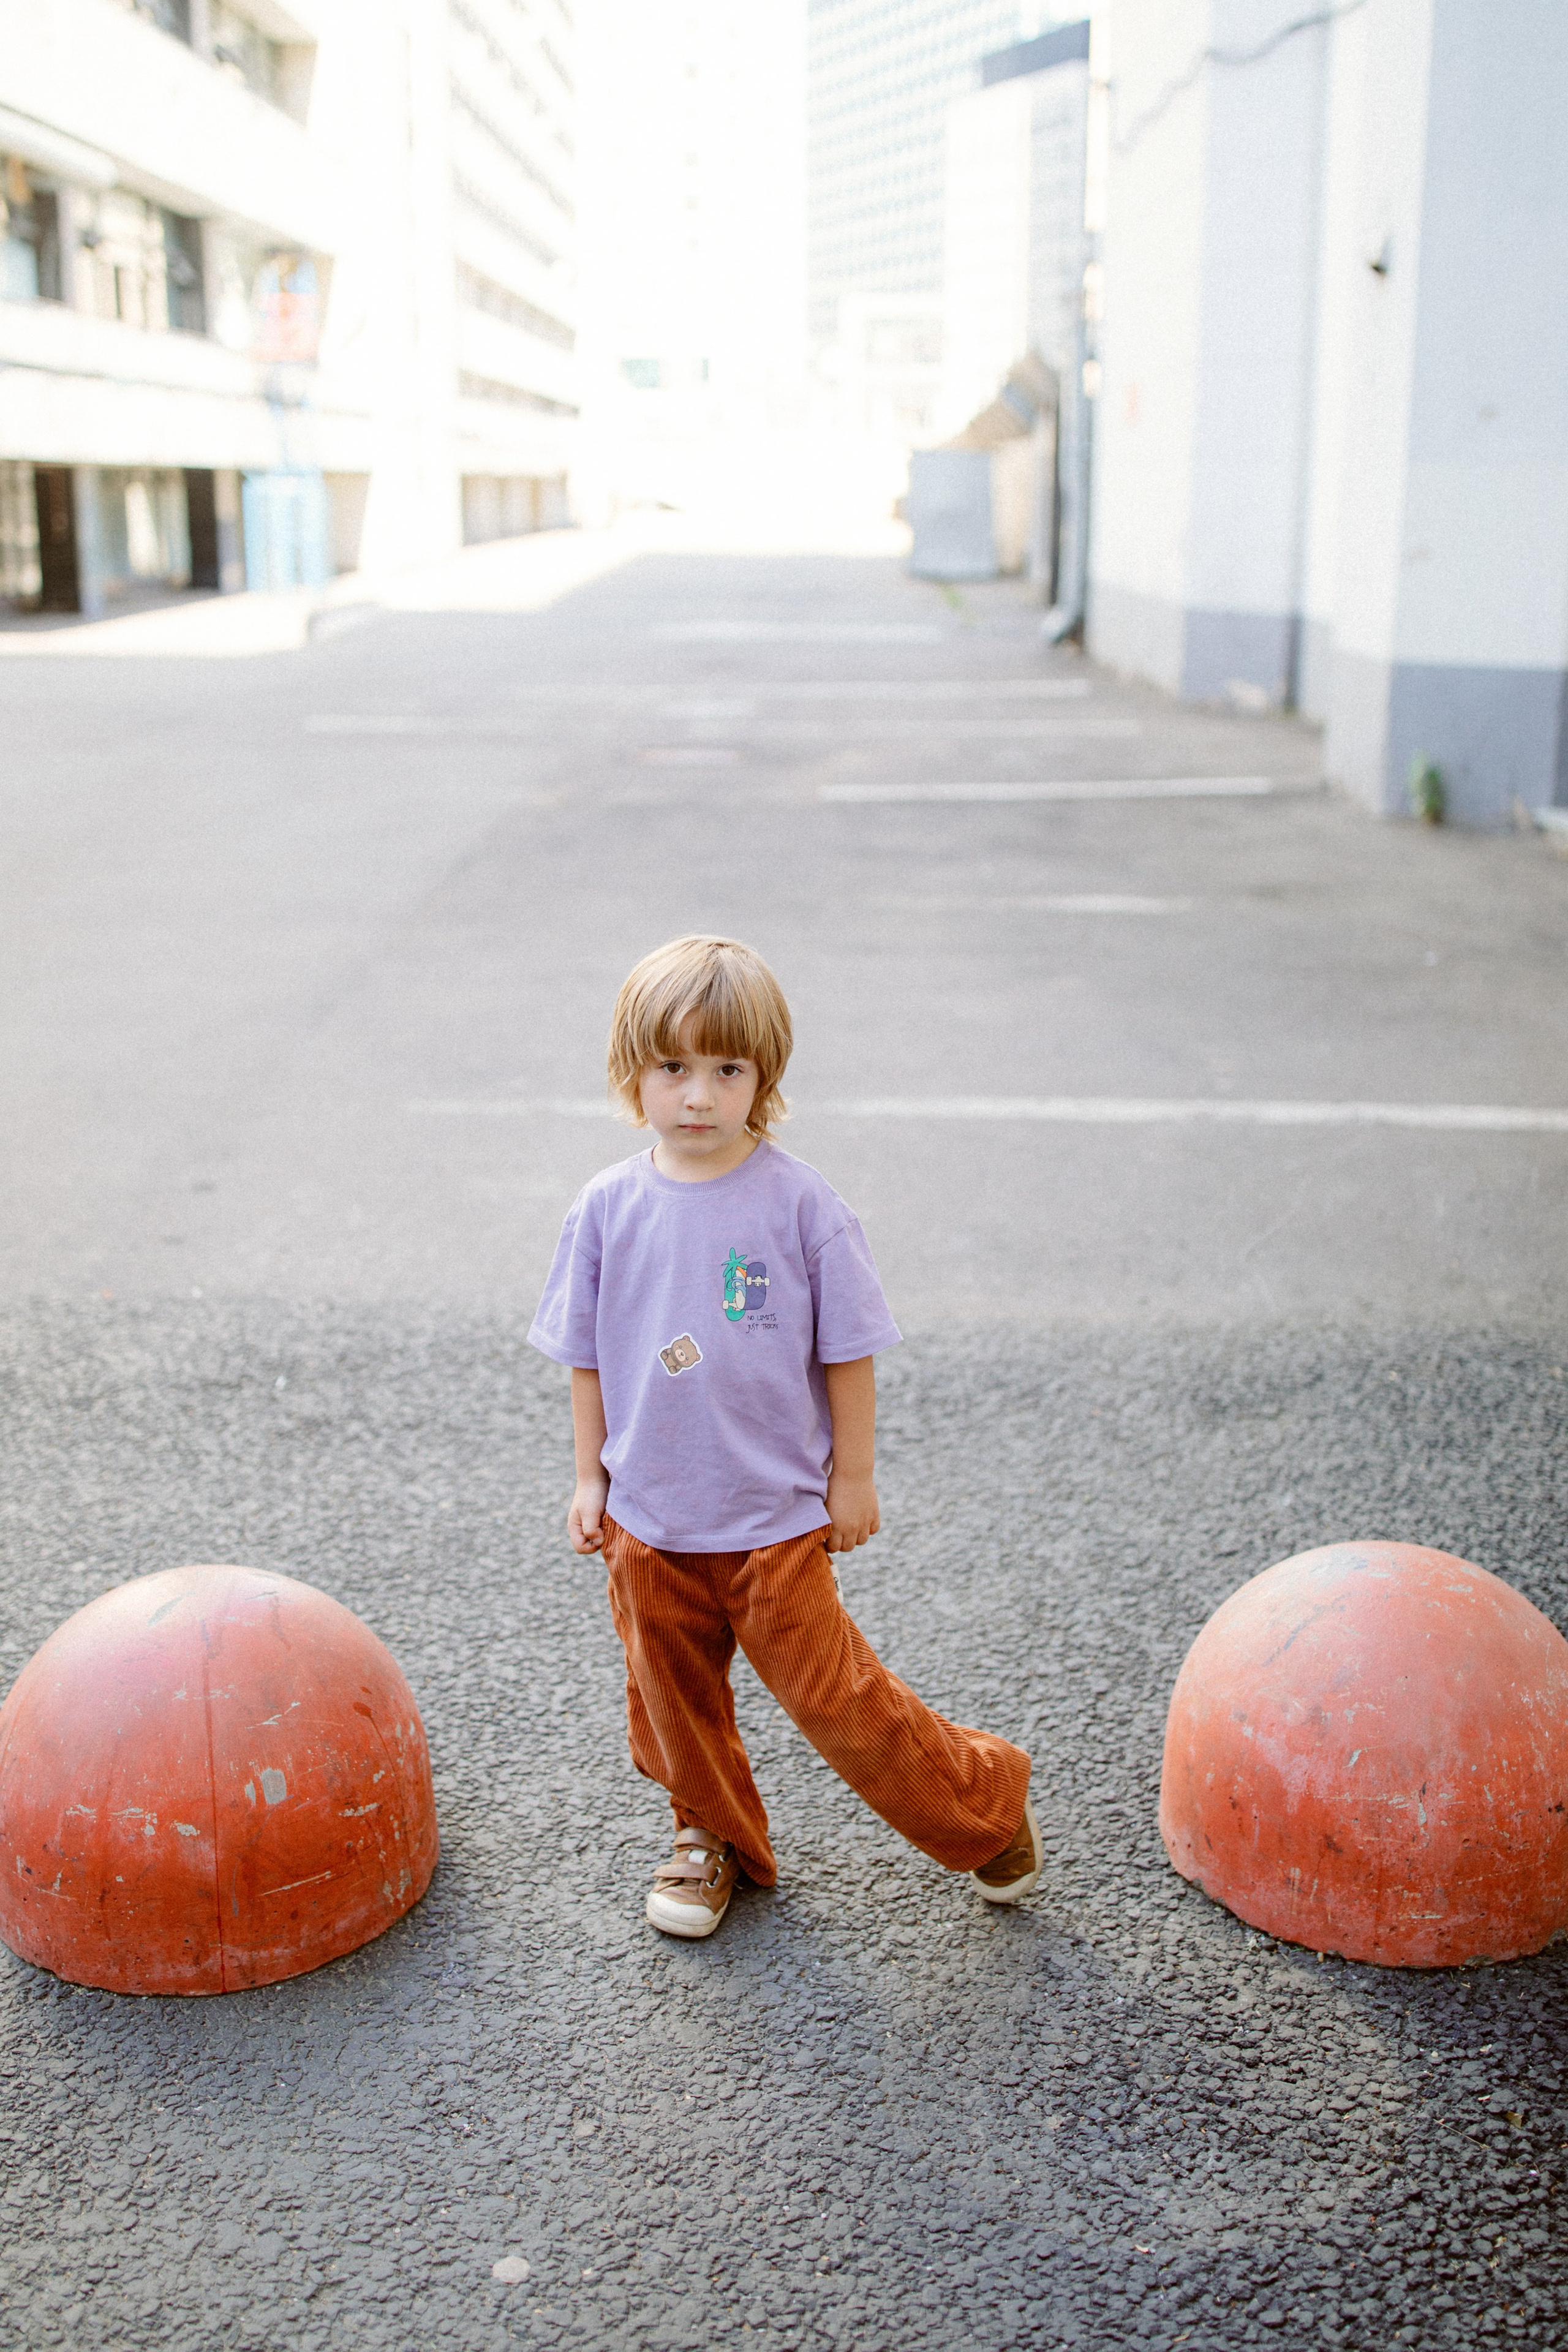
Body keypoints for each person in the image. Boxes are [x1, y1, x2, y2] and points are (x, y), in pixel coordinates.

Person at [529, 934, 1041, 1939]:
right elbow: (587, 1354)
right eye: (673, 1068)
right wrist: (588, 1477)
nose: (699, 1095)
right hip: (648, 1521)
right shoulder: (606, 1209)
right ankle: (708, 1836)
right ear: (632, 1073)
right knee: (671, 1703)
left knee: (840, 1701)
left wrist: (854, 1478)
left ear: (764, 1077)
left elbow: (850, 1351)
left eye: (728, 1070)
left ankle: (986, 1804)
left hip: (773, 1523)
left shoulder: (803, 1207)